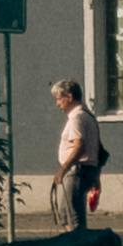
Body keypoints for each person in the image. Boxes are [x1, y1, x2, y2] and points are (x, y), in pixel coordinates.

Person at [49, 75, 106, 235]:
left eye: (59, 99)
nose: (57, 103)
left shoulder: (77, 118)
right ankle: (73, 245)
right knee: (65, 214)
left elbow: (79, 146)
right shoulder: (87, 116)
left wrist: (63, 169)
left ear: (69, 96)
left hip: (76, 171)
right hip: (84, 169)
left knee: (72, 216)